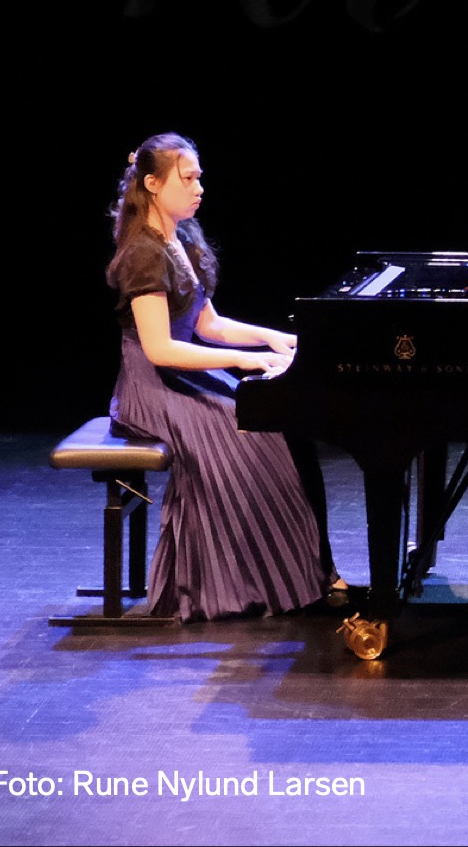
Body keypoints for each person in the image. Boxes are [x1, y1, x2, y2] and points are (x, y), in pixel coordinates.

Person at [105, 133, 338, 619]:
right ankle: (252, 580)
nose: (199, 187)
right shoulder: (143, 252)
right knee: (251, 435)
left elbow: (208, 324)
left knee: (275, 421)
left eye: (199, 177)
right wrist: (241, 361)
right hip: (151, 388)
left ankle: (311, 571)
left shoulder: (180, 238)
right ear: (152, 184)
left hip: (182, 376)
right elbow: (159, 349)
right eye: (188, 178)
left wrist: (274, 340)